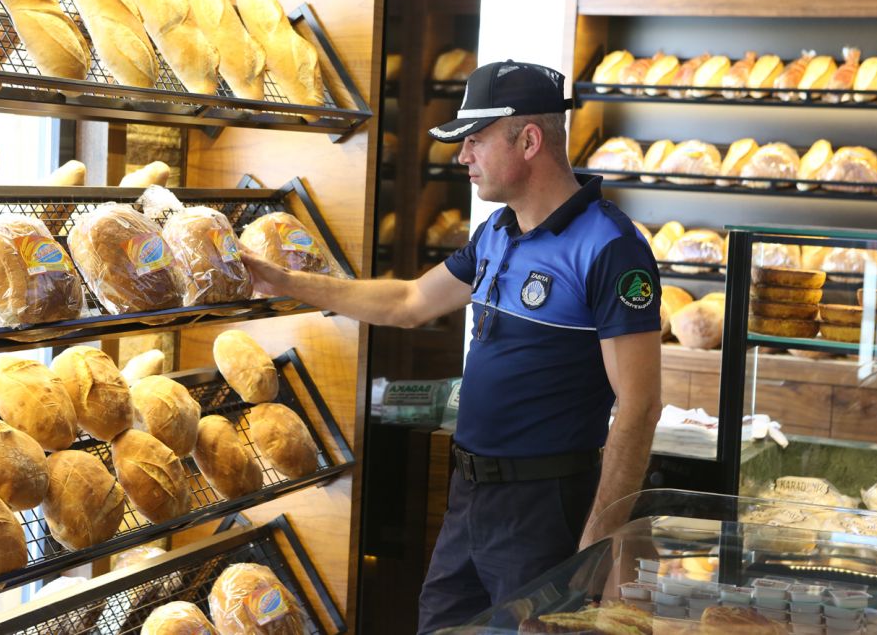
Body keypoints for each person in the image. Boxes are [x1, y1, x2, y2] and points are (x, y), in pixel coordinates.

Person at [239, 60, 663, 634]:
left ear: (529, 140)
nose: (462, 155)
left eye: (475, 140)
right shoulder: (497, 232)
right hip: (469, 495)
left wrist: (597, 544)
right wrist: (288, 282)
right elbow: (409, 301)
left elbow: (640, 404)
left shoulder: (610, 247)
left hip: (545, 506)